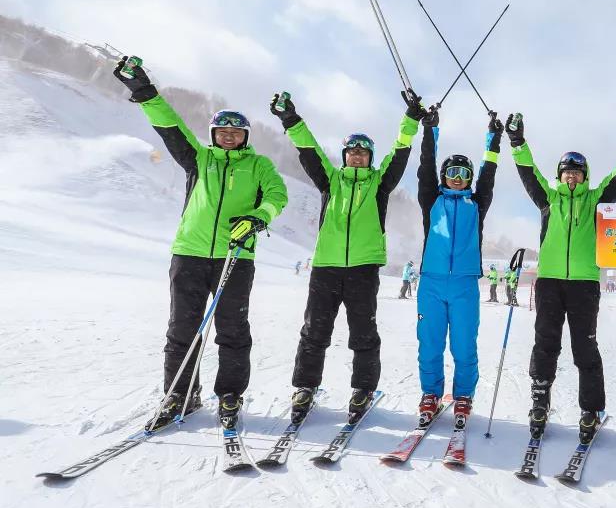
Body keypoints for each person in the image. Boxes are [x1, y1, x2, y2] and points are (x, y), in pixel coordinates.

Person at [114, 57, 288, 431]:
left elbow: (277, 196)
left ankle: (229, 394)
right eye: (222, 130)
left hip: (235, 256)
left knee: (232, 329)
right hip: (190, 253)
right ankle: (180, 393)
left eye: (236, 131)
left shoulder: (259, 166)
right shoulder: (200, 158)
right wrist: (142, 89)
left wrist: (259, 217)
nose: (228, 135)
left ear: (245, 136)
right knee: (182, 328)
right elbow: (169, 126)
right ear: (213, 134)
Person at [271, 90, 422, 424]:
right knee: (314, 332)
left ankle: (363, 389)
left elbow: (399, 153)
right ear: (344, 156)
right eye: (352, 153)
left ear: (369, 158)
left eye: (363, 153)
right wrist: (289, 118)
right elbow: (308, 150)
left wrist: (410, 120)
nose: (357, 157)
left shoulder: (379, 184)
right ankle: (305, 387)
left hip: (363, 269)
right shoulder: (331, 180)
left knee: (363, 333)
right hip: (326, 267)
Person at [506, 112, 616, 443]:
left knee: (585, 346)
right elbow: (528, 173)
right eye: (567, 173)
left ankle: (591, 409)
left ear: (584, 176)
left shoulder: (595, 201)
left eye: (577, 173)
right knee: (546, 343)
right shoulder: (549, 199)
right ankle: (539, 404)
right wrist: (516, 142)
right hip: (550, 282)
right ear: (560, 176)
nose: (571, 177)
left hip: (584, 285)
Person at [412, 108, 502, 428]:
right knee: (430, 342)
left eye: (464, 175)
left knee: (464, 344)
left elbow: (488, 171)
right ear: (445, 175)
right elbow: (425, 166)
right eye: (453, 173)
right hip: (431, 282)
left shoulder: (477, 204)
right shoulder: (430, 199)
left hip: (464, 284)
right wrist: (430, 131)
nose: (458, 179)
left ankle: (463, 395)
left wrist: (494, 137)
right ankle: (431, 394)